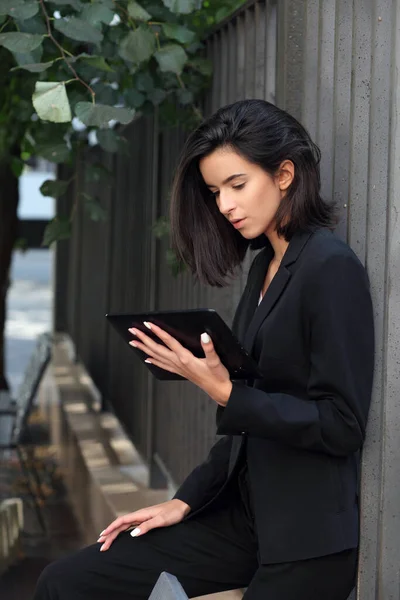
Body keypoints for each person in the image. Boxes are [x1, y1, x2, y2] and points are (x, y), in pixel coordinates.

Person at [33, 99, 375, 600]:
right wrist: (185, 502)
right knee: (66, 582)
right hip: (241, 517)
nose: (225, 205)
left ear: (284, 174)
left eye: (237, 185)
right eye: (216, 191)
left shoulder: (330, 267)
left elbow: (343, 423)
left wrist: (224, 392)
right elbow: (244, 430)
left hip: (307, 540)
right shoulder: (264, 268)